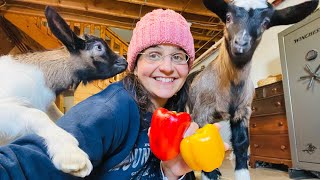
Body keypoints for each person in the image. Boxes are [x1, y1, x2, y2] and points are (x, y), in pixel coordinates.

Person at [0, 9, 226, 179]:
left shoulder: (177, 115)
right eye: (154, 55)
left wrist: (171, 172)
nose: (167, 67)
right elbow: (23, 165)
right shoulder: (110, 109)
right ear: (135, 65)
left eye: (178, 57)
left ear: (188, 66)